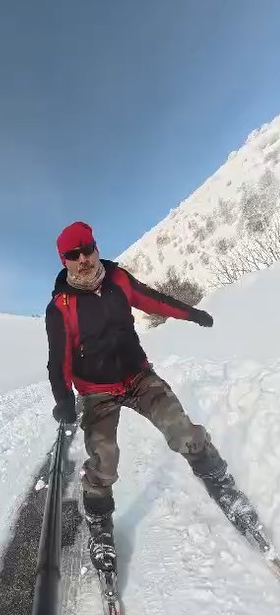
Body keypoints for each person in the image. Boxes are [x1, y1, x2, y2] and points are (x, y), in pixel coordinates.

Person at [45, 221, 266, 573]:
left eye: (87, 249)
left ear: (96, 248)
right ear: (64, 261)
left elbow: (152, 300)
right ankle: (100, 524)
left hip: (138, 377)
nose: (83, 258)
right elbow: (59, 360)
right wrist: (63, 399)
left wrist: (191, 313)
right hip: (96, 391)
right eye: (74, 255)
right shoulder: (61, 306)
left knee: (184, 431)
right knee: (105, 460)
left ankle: (223, 489)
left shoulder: (117, 280)